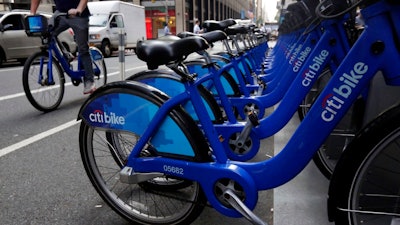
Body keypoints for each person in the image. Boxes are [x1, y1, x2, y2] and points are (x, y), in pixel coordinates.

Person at [30, 0, 96, 95]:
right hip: (60, 14)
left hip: (78, 15)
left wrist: (79, 9)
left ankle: (89, 80)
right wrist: (32, 13)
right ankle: (66, 54)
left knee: (83, 49)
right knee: (47, 33)